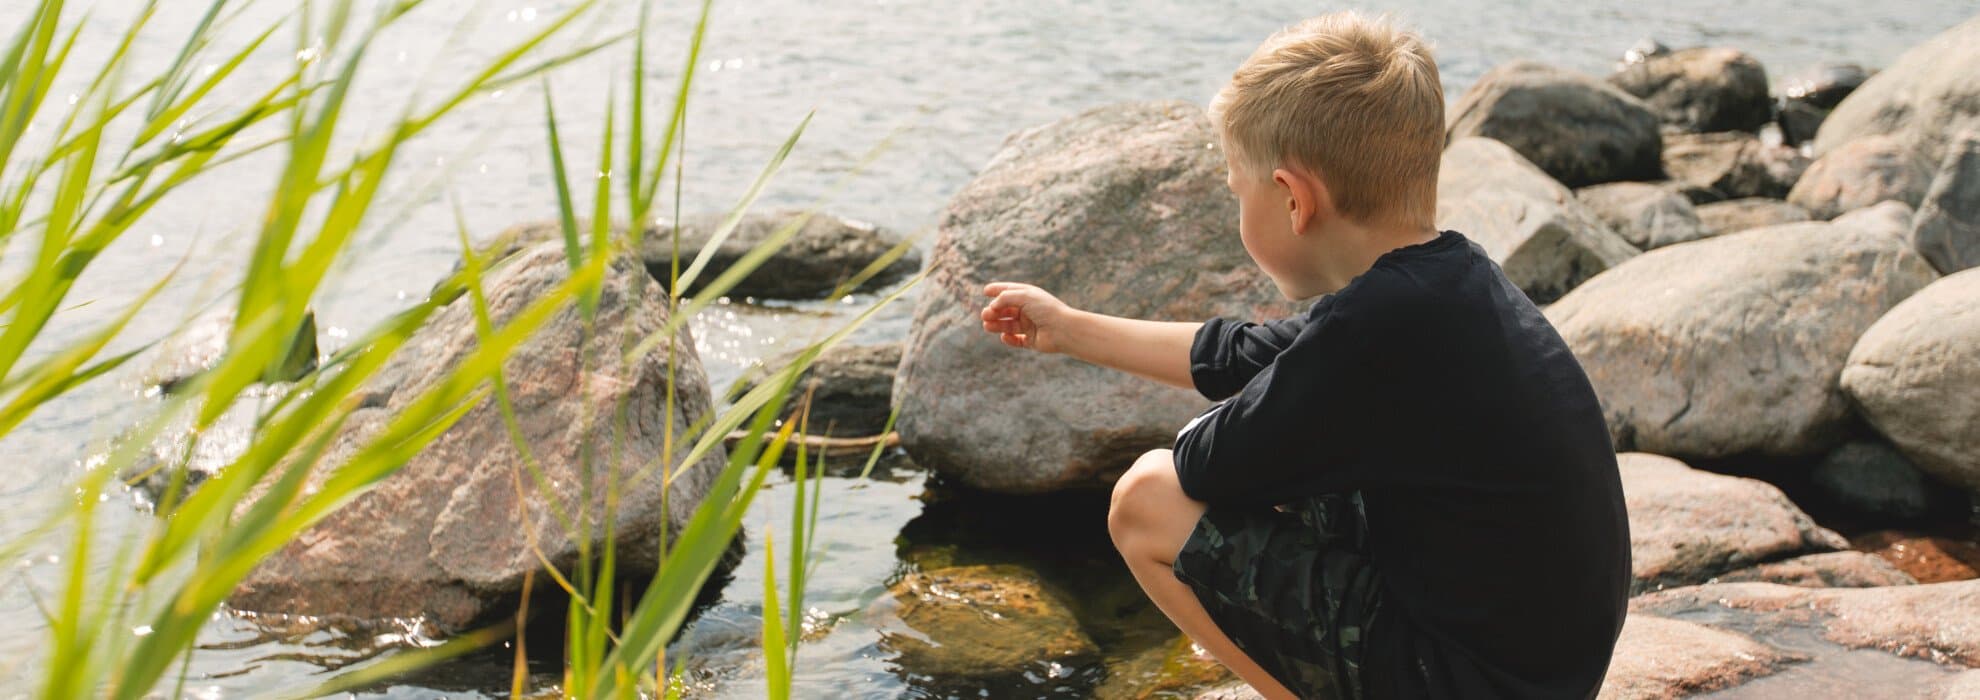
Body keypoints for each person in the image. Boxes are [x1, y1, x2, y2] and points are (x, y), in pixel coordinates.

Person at [974, 12, 1630, 700]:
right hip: (1537, 670)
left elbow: (1205, 464)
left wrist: (1231, 426)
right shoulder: (1445, 285)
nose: (1238, 207)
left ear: (1293, 199)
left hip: (1467, 681)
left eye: (1238, 191)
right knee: (1313, 471)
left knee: (1147, 500)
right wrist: (1070, 329)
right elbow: (1245, 355)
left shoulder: (1375, 328)